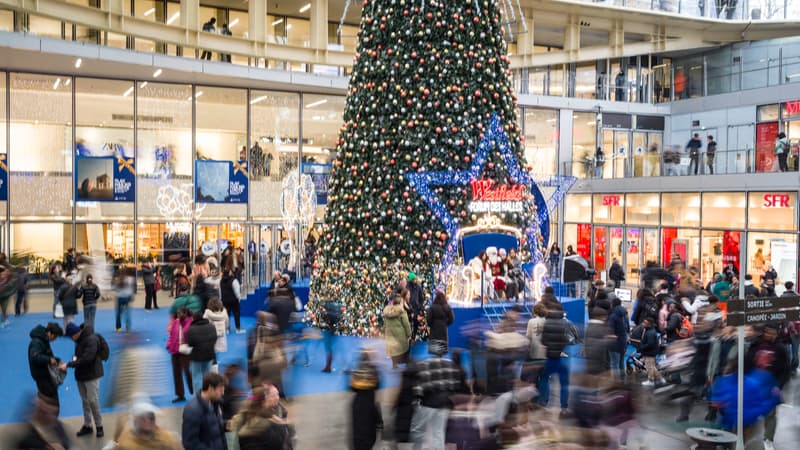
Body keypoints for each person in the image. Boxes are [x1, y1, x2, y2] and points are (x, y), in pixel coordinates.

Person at [746, 324, 791, 450]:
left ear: (776, 334)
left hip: (770, 385)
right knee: (749, 413)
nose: (769, 335)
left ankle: (768, 439)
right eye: (767, 332)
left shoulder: (780, 349)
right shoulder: (756, 345)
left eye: (772, 333)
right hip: (753, 384)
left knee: (770, 414)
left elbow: (785, 369)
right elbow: (748, 361)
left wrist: (779, 385)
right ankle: (744, 438)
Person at [409, 353, 463, 450]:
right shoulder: (450, 364)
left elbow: (418, 388)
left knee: (419, 432)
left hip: (427, 403)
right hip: (444, 404)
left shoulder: (423, 364)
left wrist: (416, 401)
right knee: (438, 433)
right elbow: (456, 385)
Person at [65, 322, 104, 438]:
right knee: (85, 401)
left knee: (93, 400)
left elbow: (87, 358)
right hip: (81, 374)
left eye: (71, 336)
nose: (71, 339)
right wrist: (75, 360)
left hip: (92, 374)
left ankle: (99, 426)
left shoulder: (91, 339)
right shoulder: (79, 340)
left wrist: (70, 364)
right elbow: (80, 356)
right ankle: (88, 425)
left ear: (76, 333)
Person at [539, 304, 576, 415]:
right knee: (564, 383)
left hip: (550, 357)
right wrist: (561, 348)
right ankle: (564, 407)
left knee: (544, 379)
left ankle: (543, 402)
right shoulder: (565, 323)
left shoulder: (546, 323)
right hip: (562, 358)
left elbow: (543, 341)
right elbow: (569, 339)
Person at [231, 384, 291, 450]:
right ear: (263, 402)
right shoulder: (266, 422)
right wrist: (280, 425)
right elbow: (277, 444)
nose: (277, 398)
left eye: (277, 394)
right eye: (271, 396)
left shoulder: (244, 415)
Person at [182, 372, 228, 450]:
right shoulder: (192, 411)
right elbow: (189, 443)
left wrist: (227, 424)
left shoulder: (215, 403)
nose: (223, 393)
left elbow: (213, 426)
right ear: (210, 388)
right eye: (220, 390)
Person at [116, 397, 181, 450]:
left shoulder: (166, 438)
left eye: (151, 418)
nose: (147, 421)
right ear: (135, 420)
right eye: (142, 418)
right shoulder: (126, 443)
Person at [28, 322, 66, 408]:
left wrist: (57, 360)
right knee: (51, 402)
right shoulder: (36, 342)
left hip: (46, 375)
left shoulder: (44, 340)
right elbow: (35, 357)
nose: (55, 339)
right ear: (49, 333)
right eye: (55, 337)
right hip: (42, 376)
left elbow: (46, 354)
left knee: (48, 400)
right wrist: (49, 360)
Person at [350, 350, 382, 450]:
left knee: (358, 431)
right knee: (368, 432)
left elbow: (352, 387)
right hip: (369, 403)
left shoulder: (356, 370)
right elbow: (378, 385)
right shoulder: (374, 370)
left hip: (358, 403)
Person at [186, 311, 218, 395]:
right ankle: (209, 393)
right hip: (209, 353)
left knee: (196, 376)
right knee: (208, 375)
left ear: (194, 318)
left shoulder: (191, 329)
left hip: (197, 356)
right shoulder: (211, 326)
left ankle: (199, 395)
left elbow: (190, 343)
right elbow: (215, 338)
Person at [167, 307, 194, 403]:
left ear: (185, 313)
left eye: (180, 313)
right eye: (177, 313)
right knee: (176, 373)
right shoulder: (176, 322)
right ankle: (180, 394)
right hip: (175, 350)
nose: (178, 315)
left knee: (187, 371)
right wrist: (169, 345)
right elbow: (172, 334)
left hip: (186, 351)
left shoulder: (190, 322)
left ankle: (194, 390)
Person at [384, 291, 412, 369]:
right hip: (400, 334)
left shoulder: (387, 311)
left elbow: (385, 323)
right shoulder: (402, 312)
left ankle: (394, 364)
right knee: (402, 349)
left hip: (390, 333)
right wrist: (409, 334)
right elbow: (406, 324)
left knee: (393, 349)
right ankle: (404, 362)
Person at [427, 290, 454, 356]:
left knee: (435, 343)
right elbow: (452, 319)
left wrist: (431, 325)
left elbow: (428, 319)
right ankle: (440, 355)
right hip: (443, 328)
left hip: (434, 328)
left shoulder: (432, 307)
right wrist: (446, 324)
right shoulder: (447, 307)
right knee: (442, 343)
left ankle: (436, 355)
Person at [608, 298, 629, 380]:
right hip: (623, 341)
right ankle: (622, 379)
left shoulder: (613, 316)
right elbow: (627, 328)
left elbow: (610, 330)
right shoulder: (625, 314)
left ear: (612, 304)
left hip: (614, 343)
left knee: (614, 364)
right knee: (621, 361)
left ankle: (616, 382)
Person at [204, 298, 230, 363]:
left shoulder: (207, 313)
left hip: (210, 335)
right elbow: (227, 323)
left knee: (211, 350)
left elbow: (204, 323)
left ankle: (213, 363)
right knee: (217, 350)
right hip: (221, 335)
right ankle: (215, 363)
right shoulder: (224, 313)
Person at [639, 318, 662, 386]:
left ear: (649, 324)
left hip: (649, 352)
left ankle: (651, 380)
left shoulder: (650, 333)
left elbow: (650, 344)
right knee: (652, 367)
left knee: (649, 367)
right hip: (651, 352)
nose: (643, 324)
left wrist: (642, 347)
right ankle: (660, 379)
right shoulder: (650, 331)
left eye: (645, 323)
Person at [221, 269, 245, 334]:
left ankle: (227, 329)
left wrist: (221, 299)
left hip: (224, 300)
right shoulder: (234, 280)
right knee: (236, 314)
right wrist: (239, 299)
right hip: (234, 300)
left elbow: (220, 291)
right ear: (229, 273)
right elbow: (237, 291)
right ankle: (238, 329)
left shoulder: (221, 281)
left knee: (226, 315)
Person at [407, 272, 424, 340]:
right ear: (411, 280)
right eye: (413, 279)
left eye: (415, 279)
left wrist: (420, 306)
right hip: (409, 308)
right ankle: (409, 337)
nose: (415, 280)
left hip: (416, 308)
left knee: (416, 323)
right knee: (409, 323)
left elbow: (421, 297)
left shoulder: (418, 287)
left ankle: (413, 337)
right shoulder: (407, 287)